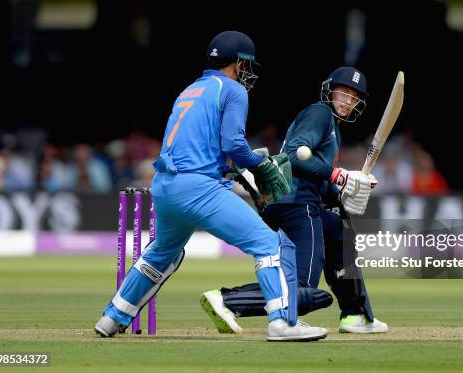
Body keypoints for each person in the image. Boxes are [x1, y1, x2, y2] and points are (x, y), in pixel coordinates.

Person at [94, 31, 327, 342]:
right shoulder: (233, 90)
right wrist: (260, 165)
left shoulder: (190, 90)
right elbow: (234, 143)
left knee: (163, 253)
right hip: (199, 190)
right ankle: (283, 323)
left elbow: (200, 145)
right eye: (247, 65)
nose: (247, 72)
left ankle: (112, 318)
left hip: (164, 186)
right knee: (272, 245)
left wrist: (229, 168)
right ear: (239, 64)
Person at [200, 67, 388, 334]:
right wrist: (339, 175)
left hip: (293, 202)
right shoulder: (319, 113)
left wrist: (347, 190)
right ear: (330, 90)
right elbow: (295, 154)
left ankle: (355, 314)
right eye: (343, 92)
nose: (347, 101)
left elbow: (319, 180)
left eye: (354, 97)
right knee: (304, 288)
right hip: (296, 205)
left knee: (338, 229)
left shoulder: (333, 128)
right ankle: (228, 301)